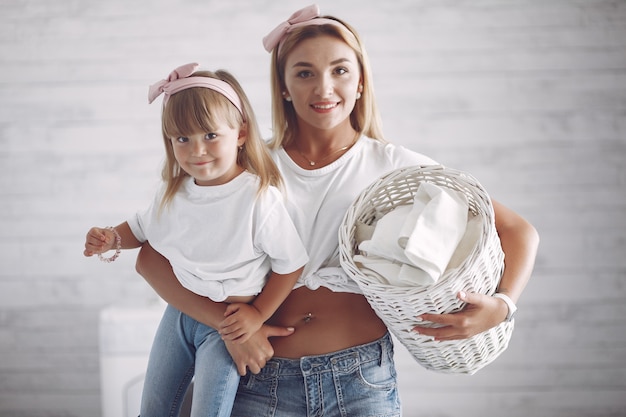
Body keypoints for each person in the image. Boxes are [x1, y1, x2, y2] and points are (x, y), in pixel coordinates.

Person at [134, 5, 540, 416]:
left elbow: (517, 230)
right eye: (305, 72)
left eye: (340, 71)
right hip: (261, 379)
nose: (324, 88)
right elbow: (152, 257)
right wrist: (230, 326)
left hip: (362, 380)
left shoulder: (397, 168)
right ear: (285, 87)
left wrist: (503, 306)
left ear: (361, 82)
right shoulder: (248, 169)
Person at [83, 63, 308, 417]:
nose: (196, 150)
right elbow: (140, 229)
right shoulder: (173, 193)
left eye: (209, 135)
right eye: (182, 139)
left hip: (228, 325)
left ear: (240, 134)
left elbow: (291, 263)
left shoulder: (258, 198)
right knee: (153, 408)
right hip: (179, 316)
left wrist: (257, 314)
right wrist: (111, 238)